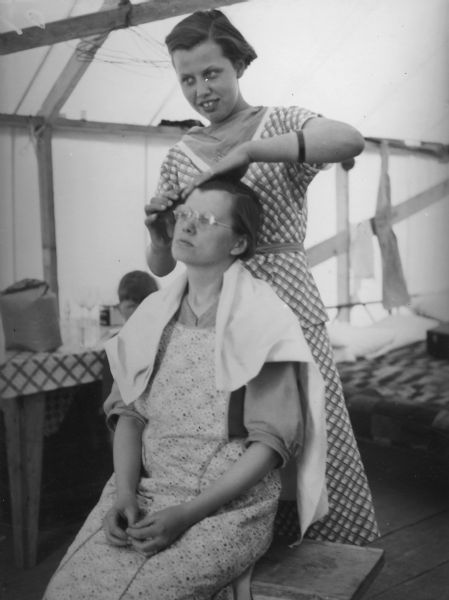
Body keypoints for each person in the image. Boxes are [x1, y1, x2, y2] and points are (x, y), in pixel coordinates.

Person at [144, 9, 378, 545]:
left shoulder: (282, 122)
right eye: (187, 79)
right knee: (237, 440)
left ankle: (332, 553)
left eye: (212, 73)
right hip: (219, 315)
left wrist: (248, 151)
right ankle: (242, 556)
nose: (201, 89)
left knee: (315, 432)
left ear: (239, 65)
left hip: (289, 303)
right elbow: (162, 265)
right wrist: (159, 234)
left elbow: (350, 140)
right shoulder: (181, 157)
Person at [43, 177, 327, 600]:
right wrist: (122, 495)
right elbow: (130, 415)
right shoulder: (154, 314)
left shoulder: (264, 320)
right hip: (144, 491)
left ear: (237, 244)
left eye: (207, 219)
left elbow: (268, 447)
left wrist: (187, 515)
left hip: (226, 509)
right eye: (185, 215)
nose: (187, 227)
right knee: (64, 592)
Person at [101, 270, 158, 402]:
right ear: (119, 308)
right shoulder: (115, 343)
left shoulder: (162, 339)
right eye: (131, 306)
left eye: (144, 305)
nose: (138, 312)